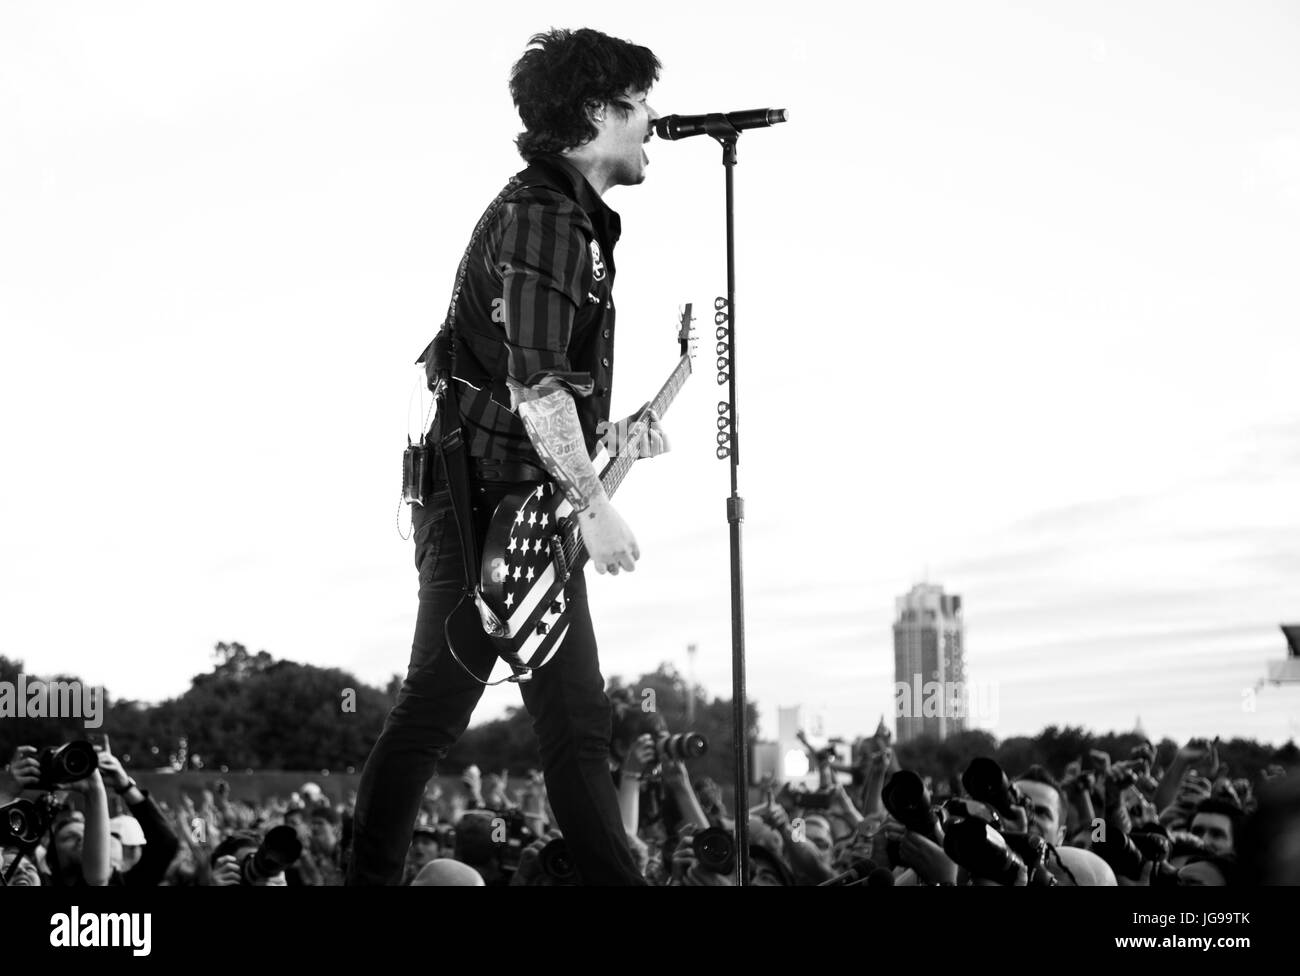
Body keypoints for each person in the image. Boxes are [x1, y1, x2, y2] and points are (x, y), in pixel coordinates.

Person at [348, 27, 665, 887]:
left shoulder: (562, 218)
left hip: (515, 508)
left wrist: (617, 435)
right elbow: (533, 385)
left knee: (575, 725)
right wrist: (596, 506)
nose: (651, 125)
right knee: (435, 718)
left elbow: (539, 384)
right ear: (596, 112)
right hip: (484, 504)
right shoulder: (543, 216)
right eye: (638, 106)